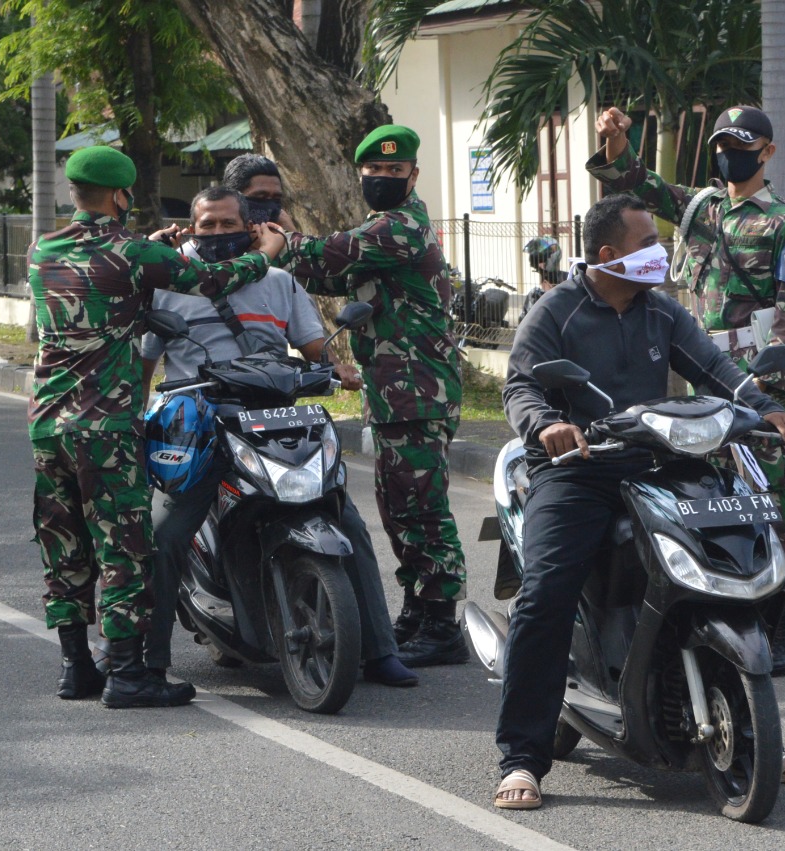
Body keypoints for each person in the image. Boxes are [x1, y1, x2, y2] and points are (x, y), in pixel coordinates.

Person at [494, 193, 785, 809]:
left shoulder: (661, 311)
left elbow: (718, 368)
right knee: (546, 594)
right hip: (576, 468)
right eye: (647, 244)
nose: (659, 253)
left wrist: (765, 406)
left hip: (658, 460)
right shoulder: (555, 311)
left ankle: (750, 725)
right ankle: (523, 758)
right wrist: (545, 425)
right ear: (609, 255)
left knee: (756, 562)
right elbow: (522, 385)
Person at [30, 145, 283, 708]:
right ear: (121, 195)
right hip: (106, 423)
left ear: (75, 193)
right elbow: (208, 280)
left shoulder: (41, 247)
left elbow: (105, 278)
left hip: (49, 421)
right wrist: (264, 254)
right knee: (124, 546)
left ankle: (75, 668)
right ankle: (127, 675)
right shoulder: (135, 253)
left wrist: (150, 246)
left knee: (64, 545)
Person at [140, 187, 418, 688]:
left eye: (229, 224)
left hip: (273, 416)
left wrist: (338, 369)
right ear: (192, 228)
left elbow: (314, 346)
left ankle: (379, 650)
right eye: (209, 226)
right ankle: (150, 660)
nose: (219, 234)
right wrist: (141, 416)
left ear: (249, 228)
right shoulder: (170, 281)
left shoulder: (278, 280)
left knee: (345, 518)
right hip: (200, 420)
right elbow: (144, 362)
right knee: (165, 532)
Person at [589, 105, 785, 677]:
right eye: (721, 143)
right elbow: (637, 187)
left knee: (772, 498)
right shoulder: (702, 207)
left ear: (766, 152)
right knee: (706, 492)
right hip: (704, 370)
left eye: (740, 144)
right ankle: (723, 609)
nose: (727, 153)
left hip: (755, 373)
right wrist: (618, 142)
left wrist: (772, 382)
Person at [270, 124, 468, 668]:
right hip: (393, 394)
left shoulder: (403, 228)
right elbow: (334, 273)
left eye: (393, 171)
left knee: (423, 508)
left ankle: (441, 624)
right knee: (398, 504)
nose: (382, 179)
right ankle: (417, 608)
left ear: (413, 176)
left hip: (419, 391)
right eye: (373, 171)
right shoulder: (380, 229)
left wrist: (287, 243)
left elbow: (341, 253)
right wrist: (285, 248)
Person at [222, 153, 295, 228]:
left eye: (276, 198)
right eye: (261, 198)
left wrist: (291, 235)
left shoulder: (285, 235)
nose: (271, 207)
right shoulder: (217, 237)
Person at [518, 236, 565, 321]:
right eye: (538, 261)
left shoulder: (564, 283)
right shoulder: (535, 295)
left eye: (541, 260)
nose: (539, 265)